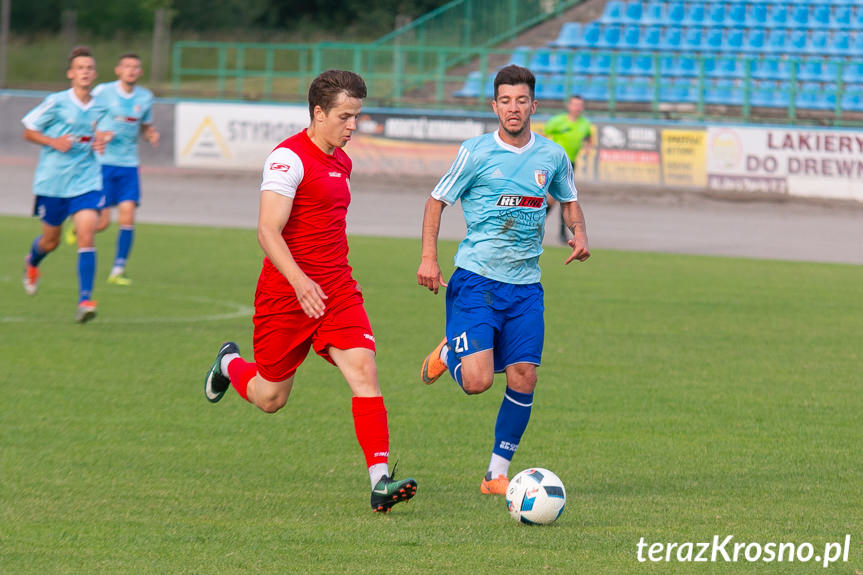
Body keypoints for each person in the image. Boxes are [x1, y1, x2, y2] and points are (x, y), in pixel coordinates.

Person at [203, 70, 417, 513]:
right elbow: (268, 229)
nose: (352, 126)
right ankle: (229, 363)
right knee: (270, 398)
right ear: (318, 114)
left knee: (363, 369)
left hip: (337, 289)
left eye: (356, 116)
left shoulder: (343, 160)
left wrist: (321, 280)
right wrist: (300, 281)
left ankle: (380, 482)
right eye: (344, 116)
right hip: (286, 295)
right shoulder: (287, 159)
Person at [416, 65, 590, 495]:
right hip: (477, 281)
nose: (514, 108)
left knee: (525, 376)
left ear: (534, 105)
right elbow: (437, 201)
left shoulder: (552, 156)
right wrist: (429, 259)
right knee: (477, 383)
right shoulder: (475, 152)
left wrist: (579, 233)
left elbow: (569, 201)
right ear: (495, 106)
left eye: (522, 100)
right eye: (506, 101)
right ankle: (448, 352)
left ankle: (496, 474)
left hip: (526, 288)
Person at [21, 46, 111, 323]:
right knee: (51, 241)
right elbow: (28, 130)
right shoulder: (56, 101)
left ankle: (85, 300)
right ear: (71, 73)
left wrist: (101, 139)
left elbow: (102, 131)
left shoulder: (100, 105)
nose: (85, 72)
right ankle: (32, 262)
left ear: (94, 74)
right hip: (53, 182)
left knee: (86, 234)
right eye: (80, 67)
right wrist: (53, 141)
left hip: (86, 181)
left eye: (89, 68)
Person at [66, 53, 159, 286]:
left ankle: (118, 270)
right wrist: (98, 135)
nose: (131, 70)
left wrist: (150, 133)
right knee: (103, 222)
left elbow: (145, 125)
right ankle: (77, 227)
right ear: (118, 70)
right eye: (127, 66)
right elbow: (87, 117)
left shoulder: (145, 97)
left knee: (128, 215)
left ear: (140, 72)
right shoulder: (102, 92)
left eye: (135, 67)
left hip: (129, 166)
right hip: (103, 163)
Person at [543, 94, 592, 244]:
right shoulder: (558, 121)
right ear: (569, 106)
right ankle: (556, 231)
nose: (577, 108)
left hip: (570, 164)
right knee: (560, 197)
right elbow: (543, 136)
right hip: (556, 162)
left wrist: (588, 147)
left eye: (579, 105)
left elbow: (588, 137)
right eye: (574, 104)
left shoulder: (584, 124)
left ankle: (540, 225)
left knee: (560, 198)